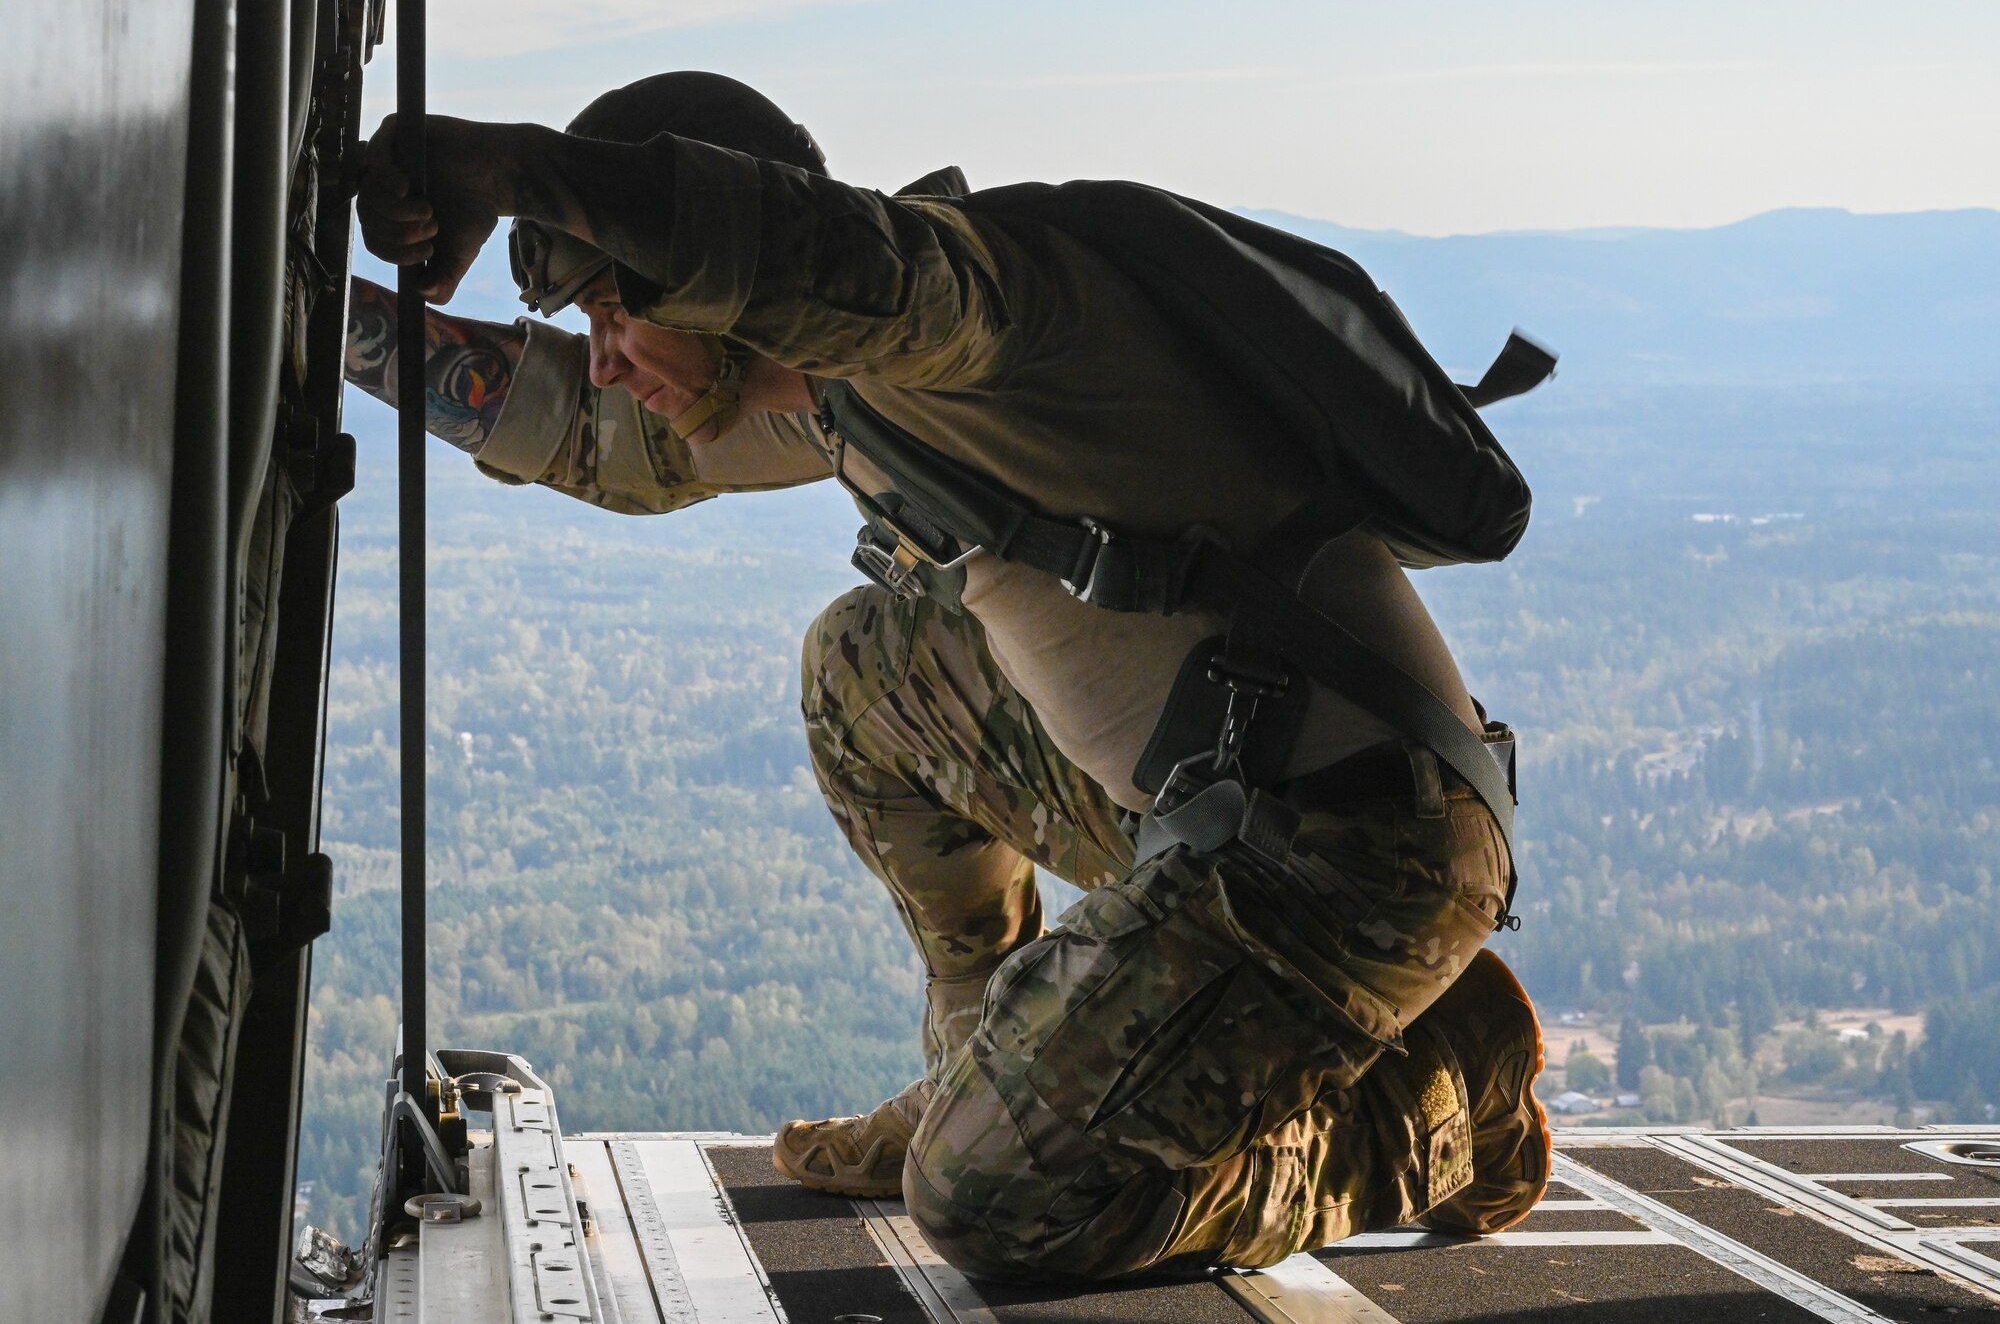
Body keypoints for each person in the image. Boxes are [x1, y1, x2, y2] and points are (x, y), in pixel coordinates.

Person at [348, 71, 1548, 1282]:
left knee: (995, 1209)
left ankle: (1441, 1107)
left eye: (614, 314)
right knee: (866, 668)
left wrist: (515, 172)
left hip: (1361, 846)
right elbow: (600, 439)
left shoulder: (983, 308)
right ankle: (983, 1066)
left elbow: (827, 256)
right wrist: (317, 316)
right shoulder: (833, 401)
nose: (604, 359)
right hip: (1216, 805)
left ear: (714, 275)